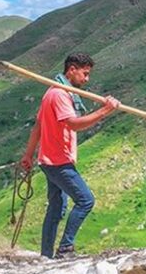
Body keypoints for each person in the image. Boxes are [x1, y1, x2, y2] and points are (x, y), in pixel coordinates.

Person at [19, 53, 120, 259]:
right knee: (85, 201)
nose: (86, 79)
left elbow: (38, 127)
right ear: (72, 69)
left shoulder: (51, 92)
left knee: (56, 208)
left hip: (48, 159)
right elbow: (73, 124)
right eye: (85, 74)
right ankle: (65, 249)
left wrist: (28, 155)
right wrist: (105, 111)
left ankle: (46, 256)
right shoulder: (60, 95)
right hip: (58, 161)